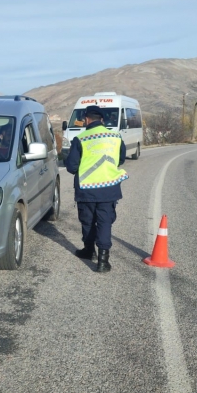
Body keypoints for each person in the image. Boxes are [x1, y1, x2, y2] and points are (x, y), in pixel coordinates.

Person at [64, 105, 127, 272]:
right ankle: (103, 261)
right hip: (109, 188)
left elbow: (71, 166)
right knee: (105, 222)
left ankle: (89, 250)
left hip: (87, 189)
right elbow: (120, 159)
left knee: (88, 221)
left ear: (86, 120)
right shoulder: (116, 137)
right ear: (102, 120)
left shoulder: (81, 138)